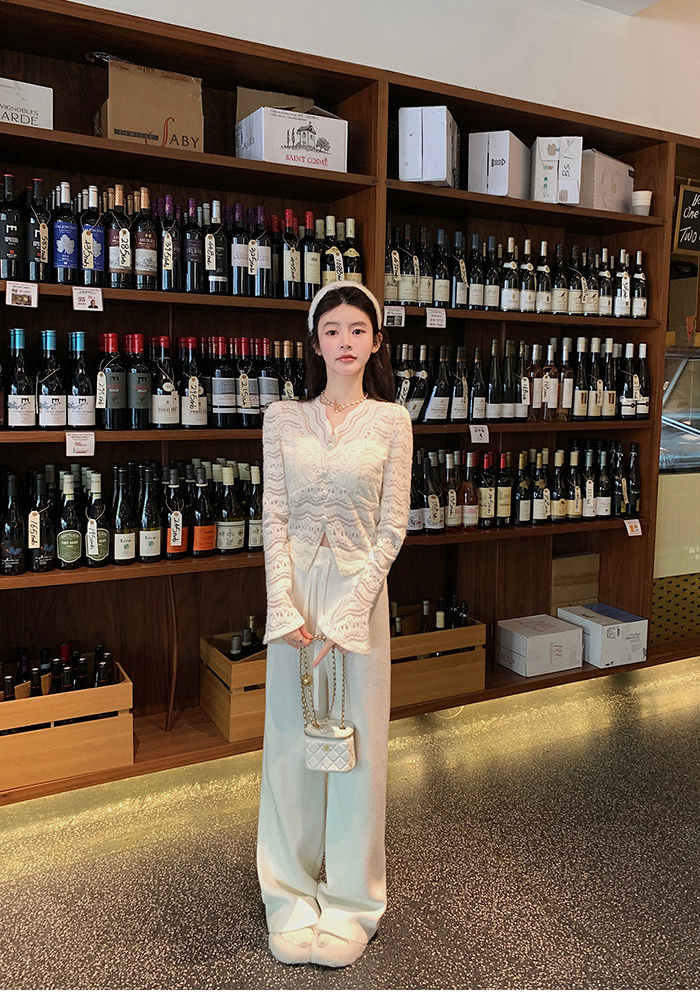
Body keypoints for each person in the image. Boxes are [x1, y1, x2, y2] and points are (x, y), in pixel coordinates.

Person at [256, 280, 413, 968]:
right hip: (295, 592)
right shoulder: (282, 418)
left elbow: (392, 527)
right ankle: (288, 894)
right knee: (289, 746)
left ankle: (351, 902)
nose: (345, 341)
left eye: (357, 329)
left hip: (359, 591)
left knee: (360, 748)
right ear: (315, 342)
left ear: (376, 342)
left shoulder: (392, 422)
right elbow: (274, 516)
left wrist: (350, 614)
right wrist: (282, 603)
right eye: (332, 330)